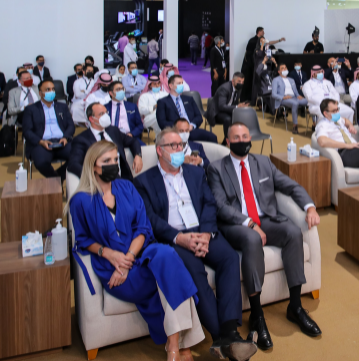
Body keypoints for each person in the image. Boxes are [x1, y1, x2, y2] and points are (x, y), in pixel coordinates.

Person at [69, 141, 204, 361]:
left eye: (115, 159)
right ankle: (184, 345)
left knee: (167, 255)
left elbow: (143, 228)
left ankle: (173, 344)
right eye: (107, 161)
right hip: (112, 270)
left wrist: (128, 259)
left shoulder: (126, 187)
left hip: (139, 255)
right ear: (93, 165)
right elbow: (83, 240)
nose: (114, 164)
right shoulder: (80, 201)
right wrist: (110, 254)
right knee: (173, 275)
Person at [133, 129, 258, 361]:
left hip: (203, 232)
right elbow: (151, 219)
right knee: (194, 271)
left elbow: (209, 204)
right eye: (173, 146)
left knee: (229, 258)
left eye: (181, 145)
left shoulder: (196, 172)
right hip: (175, 239)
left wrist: (206, 234)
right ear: (159, 150)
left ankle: (229, 330)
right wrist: (179, 238)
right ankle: (221, 336)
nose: (179, 149)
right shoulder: (143, 181)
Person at [207, 123, 322, 350]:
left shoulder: (263, 162)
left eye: (245, 136)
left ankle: (295, 307)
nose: (242, 140)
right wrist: (249, 224)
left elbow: (291, 186)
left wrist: (310, 207)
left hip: (266, 218)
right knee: (252, 239)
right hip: (236, 223)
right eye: (236, 137)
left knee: (293, 232)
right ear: (228, 142)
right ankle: (257, 315)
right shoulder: (216, 168)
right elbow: (220, 206)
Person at [68, 102, 143, 181]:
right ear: (91, 119)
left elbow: (133, 141)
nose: (106, 116)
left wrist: (138, 155)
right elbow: (73, 164)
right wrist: (93, 177)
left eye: (106, 113)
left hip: (122, 179)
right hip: (100, 181)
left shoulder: (113, 131)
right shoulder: (81, 139)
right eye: (101, 114)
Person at [22, 79, 74, 180]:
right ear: (40, 93)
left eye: (53, 89)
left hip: (62, 141)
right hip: (41, 143)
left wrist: (66, 137)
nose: (51, 92)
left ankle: (57, 179)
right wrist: (40, 141)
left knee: (80, 158)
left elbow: (71, 125)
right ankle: (56, 181)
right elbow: (27, 131)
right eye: (48, 89)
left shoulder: (62, 107)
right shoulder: (31, 109)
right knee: (41, 163)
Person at [156, 74, 217, 143]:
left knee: (212, 137)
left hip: (191, 130)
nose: (182, 85)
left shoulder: (189, 99)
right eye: (179, 83)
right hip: (175, 131)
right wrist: (180, 127)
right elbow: (162, 122)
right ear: (171, 86)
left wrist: (192, 126)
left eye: (182, 83)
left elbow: (199, 117)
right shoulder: (163, 102)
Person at [272, 64, 308, 134]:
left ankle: (314, 124)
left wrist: (298, 95)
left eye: (285, 68)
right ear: (279, 71)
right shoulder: (276, 80)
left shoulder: (291, 80)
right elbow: (273, 94)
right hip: (283, 99)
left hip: (294, 97)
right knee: (295, 103)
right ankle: (295, 126)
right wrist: (283, 97)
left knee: (309, 101)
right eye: (282, 68)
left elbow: (295, 92)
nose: (285, 69)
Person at [214, 72, 248, 141]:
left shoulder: (238, 88)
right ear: (233, 81)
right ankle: (228, 140)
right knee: (228, 119)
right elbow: (221, 106)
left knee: (243, 116)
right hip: (217, 111)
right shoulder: (224, 88)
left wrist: (241, 105)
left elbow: (234, 102)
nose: (241, 83)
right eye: (239, 81)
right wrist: (237, 107)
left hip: (228, 109)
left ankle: (241, 138)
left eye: (242, 82)